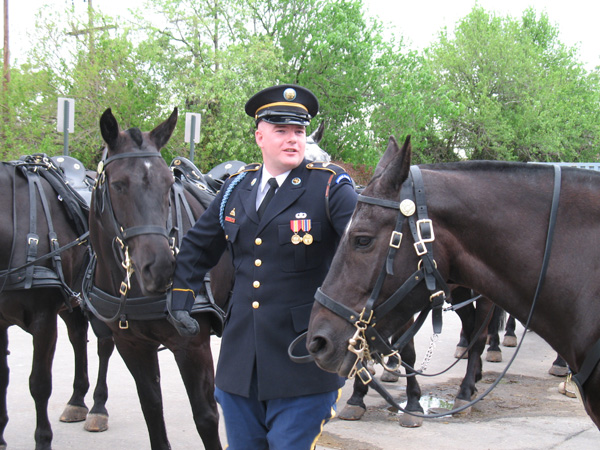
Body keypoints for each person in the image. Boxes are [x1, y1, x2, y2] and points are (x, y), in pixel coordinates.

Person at [168, 84, 358, 450]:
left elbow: (366, 251)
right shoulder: (235, 189)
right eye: (281, 130)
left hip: (303, 365)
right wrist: (180, 297)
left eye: (299, 131)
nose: (293, 140)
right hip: (239, 368)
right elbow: (197, 246)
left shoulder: (330, 188)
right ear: (260, 136)